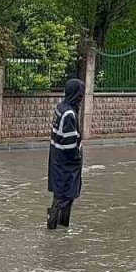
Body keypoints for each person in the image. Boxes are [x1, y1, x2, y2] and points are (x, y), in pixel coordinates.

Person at [47, 78, 85, 229]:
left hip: (57, 160)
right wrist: (78, 157)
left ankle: (60, 227)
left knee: (62, 197)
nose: (81, 98)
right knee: (63, 197)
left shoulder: (60, 107)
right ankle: (52, 227)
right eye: (80, 95)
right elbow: (70, 145)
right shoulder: (69, 113)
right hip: (66, 165)